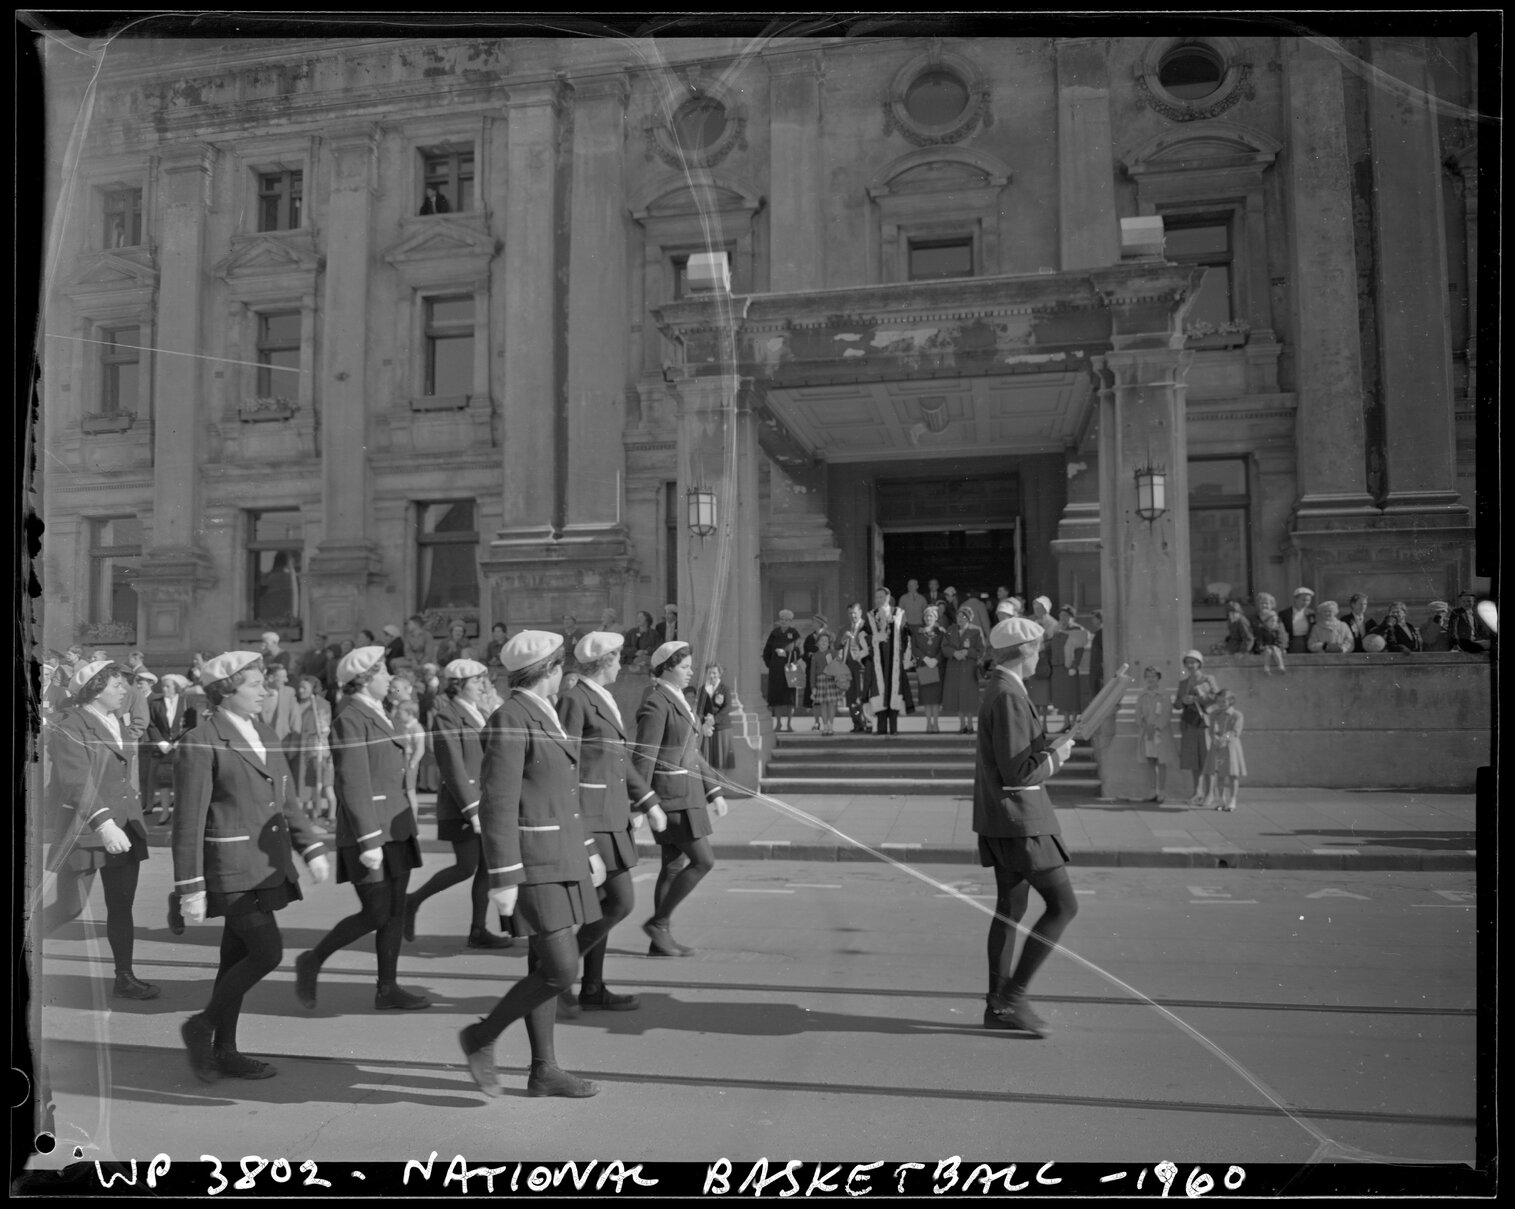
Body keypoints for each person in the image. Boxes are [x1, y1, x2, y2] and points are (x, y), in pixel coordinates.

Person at [456, 631, 607, 1099]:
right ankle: (480, 1036)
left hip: (561, 855)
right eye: (561, 665)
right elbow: (497, 802)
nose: (564, 673)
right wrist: (503, 876)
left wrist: (588, 847)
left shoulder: (546, 713)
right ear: (550, 669)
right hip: (535, 862)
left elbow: (564, 792)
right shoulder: (511, 717)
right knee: (561, 971)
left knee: (545, 965)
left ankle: (544, 1070)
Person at [172, 652, 334, 1082]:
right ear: (226, 691)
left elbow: (287, 801)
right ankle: (200, 1026)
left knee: (235, 958)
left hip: (265, 865)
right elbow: (188, 820)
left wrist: (311, 847)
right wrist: (189, 886)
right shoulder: (201, 740)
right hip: (229, 868)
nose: (266, 690)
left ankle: (224, 1050)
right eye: (255, 685)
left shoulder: (264, 733)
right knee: (266, 952)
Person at [293, 646, 430, 1013]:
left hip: (395, 827)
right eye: (383, 672)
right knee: (376, 911)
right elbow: (353, 783)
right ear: (365, 679)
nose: (389, 678)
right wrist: (369, 839)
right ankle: (313, 959)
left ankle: (387, 987)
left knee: (395, 910)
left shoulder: (380, 713)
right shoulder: (350, 719)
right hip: (370, 832)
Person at [973, 616, 1079, 1037]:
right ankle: (1012, 999)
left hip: (1004, 820)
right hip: (1021, 821)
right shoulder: (1008, 694)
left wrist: (1049, 747)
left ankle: (998, 1007)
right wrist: (1057, 756)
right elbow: (1018, 772)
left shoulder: (1004, 689)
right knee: (1063, 906)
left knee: (1010, 911)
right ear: (1025, 651)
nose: (1041, 657)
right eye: (1039, 649)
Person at [556, 632, 669, 1013]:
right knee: (620, 902)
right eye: (618, 658)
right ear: (604, 661)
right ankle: (557, 974)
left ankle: (592, 986)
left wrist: (648, 802)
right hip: (592, 816)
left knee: (602, 905)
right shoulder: (575, 700)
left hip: (612, 815)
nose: (621, 664)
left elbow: (619, 760)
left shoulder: (603, 697)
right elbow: (565, 766)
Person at [41, 660, 159, 1000]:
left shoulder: (115, 721)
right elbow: (76, 781)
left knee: (121, 906)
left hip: (125, 826)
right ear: (95, 689)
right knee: (70, 907)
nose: (125, 691)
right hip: (89, 829)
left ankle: (125, 977)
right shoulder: (70, 724)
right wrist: (104, 823)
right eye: (117, 685)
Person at [404, 659, 513, 951]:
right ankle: (411, 901)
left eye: (483, 681)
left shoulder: (479, 711)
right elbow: (453, 768)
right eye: (477, 681)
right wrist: (472, 809)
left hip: (485, 802)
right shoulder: (447, 717)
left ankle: (478, 929)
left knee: (487, 868)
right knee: (466, 867)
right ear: (459, 685)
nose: (483, 686)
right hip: (462, 805)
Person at [634, 641, 731, 958]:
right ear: (668, 668)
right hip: (672, 797)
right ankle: (658, 923)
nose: (691, 672)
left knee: (673, 865)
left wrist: (713, 790)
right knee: (703, 861)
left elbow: (691, 753)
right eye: (685, 667)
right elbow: (644, 757)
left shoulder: (677, 699)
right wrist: (641, 804)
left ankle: (659, 940)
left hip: (687, 795)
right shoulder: (657, 703)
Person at [144, 673, 196, 824]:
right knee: (164, 781)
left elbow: (191, 724)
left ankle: (182, 812)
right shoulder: (156, 703)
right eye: (163, 686)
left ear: (176, 687)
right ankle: (165, 812)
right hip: (164, 749)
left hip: (182, 747)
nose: (164, 689)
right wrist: (161, 742)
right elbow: (151, 725)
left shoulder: (187, 701)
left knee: (183, 781)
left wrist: (181, 740)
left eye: (168, 686)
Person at [1174, 650, 1220, 807]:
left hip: (1205, 724)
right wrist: (1184, 701)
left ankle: (1210, 794)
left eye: (1193, 662)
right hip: (1189, 723)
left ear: (1199, 663)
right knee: (1193, 761)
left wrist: (1199, 697)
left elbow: (1217, 698)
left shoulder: (1208, 679)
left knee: (1208, 760)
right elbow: (1176, 704)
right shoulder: (1183, 683)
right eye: (1187, 662)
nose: (1190, 665)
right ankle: (1197, 792)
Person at [866, 588, 914, 736]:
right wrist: (875, 638)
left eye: (881, 597)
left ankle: (893, 728)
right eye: (876, 597)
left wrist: (906, 657)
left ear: (888, 597)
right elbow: (863, 636)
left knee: (894, 691)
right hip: (878, 661)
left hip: (895, 660)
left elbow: (907, 636)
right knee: (880, 691)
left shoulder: (899, 613)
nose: (878, 600)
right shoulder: (871, 615)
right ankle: (881, 728)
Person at [284, 674, 332, 816]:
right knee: (297, 781)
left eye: (304, 688)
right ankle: (302, 811)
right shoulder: (294, 703)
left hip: (313, 749)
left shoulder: (321, 704)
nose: (300, 690)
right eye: (299, 687)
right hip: (297, 746)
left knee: (313, 781)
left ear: (313, 688)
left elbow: (324, 726)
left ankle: (317, 813)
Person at [1135, 667, 1180, 804]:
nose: (1151, 679)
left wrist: (1156, 727)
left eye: (1153, 676)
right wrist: (1143, 725)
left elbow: (1166, 713)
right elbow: (1138, 713)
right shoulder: (1142, 696)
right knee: (1150, 761)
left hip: (1160, 733)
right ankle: (1152, 790)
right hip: (1146, 732)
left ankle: (1162, 790)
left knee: (1161, 761)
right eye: (1148, 676)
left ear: (1158, 678)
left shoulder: (1164, 695)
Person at [942, 603, 986, 734]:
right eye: (958, 616)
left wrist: (968, 652)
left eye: (963, 617)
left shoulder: (976, 630)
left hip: (969, 667)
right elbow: (944, 646)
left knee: (969, 696)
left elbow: (981, 649)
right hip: (954, 667)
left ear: (969, 618)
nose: (960, 619)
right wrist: (954, 653)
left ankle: (970, 725)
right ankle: (962, 725)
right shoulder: (950, 629)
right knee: (957, 696)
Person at [1203, 689, 1246, 812]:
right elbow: (1211, 729)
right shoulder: (1214, 714)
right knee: (1220, 774)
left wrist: (1224, 739)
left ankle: (1232, 800)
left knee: (1233, 775)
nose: (1221, 704)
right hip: (1217, 746)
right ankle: (1220, 799)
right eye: (1218, 701)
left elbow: (1235, 731)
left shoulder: (1237, 715)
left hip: (1231, 747)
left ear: (1231, 701)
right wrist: (1214, 738)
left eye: (1224, 701)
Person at [1049, 606, 1088, 733]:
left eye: (1065, 615)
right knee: (1063, 697)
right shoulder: (1058, 629)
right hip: (1058, 667)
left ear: (1072, 617)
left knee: (1072, 696)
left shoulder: (1077, 629)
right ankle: (1066, 722)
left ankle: (1074, 723)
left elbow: (1079, 650)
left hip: (1069, 667)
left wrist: (1074, 666)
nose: (1063, 618)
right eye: (1061, 615)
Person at [762, 609, 801, 733]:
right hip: (776, 671)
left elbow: (799, 652)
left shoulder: (794, 634)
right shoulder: (774, 633)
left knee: (790, 699)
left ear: (791, 621)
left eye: (787, 620)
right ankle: (778, 723)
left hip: (790, 670)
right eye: (782, 619)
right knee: (777, 698)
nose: (784, 622)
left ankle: (789, 724)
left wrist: (786, 654)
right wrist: (771, 664)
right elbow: (766, 651)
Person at [911, 605, 946, 733]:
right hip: (924, 666)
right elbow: (914, 648)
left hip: (937, 667)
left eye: (931, 616)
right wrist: (925, 658)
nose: (928, 618)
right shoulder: (918, 632)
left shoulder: (941, 632)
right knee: (927, 698)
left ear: (935, 618)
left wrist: (936, 659)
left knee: (936, 699)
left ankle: (935, 723)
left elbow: (944, 647)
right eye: (926, 616)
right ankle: (928, 723)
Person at [841, 602, 874, 734]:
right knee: (851, 697)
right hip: (848, 666)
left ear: (860, 612)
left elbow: (871, 645)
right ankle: (857, 723)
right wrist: (843, 639)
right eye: (850, 613)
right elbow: (837, 645)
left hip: (861, 666)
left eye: (855, 612)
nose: (852, 615)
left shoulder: (867, 627)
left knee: (862, 696)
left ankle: (868, 722)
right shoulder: (845, 628)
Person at [696, 661, 736, 769]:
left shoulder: (724, 688)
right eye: (709, 673)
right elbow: (699, 709)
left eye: (714, 673)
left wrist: (715, 719)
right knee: (708, 762)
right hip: (707, 729)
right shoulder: (702, 690)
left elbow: (728, 707)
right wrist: (705, 722)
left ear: (719, 674)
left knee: (722, 762)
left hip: (722, 728)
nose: (712, 676)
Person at [808, 632, 846, 735]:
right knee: (823, 705)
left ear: (829, 643)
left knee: (832, 704)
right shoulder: (815, 656)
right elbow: (812, 672)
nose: (824, 642)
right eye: (821, 640)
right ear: (817, 643)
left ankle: (831, 726)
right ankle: (825, 726)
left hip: (831, 680)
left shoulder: (833, 653)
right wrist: (813, 687)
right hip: (820, 681)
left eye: (826, 641)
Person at [800, 615, 831, 729]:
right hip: (812, 671)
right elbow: (805, 654)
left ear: (820, 623)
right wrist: (809, 656)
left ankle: (827, 723)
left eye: (814, 622)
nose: (813, 624)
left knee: (825, 698)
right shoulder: (809, 638)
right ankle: (817, 722)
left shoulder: (828, 636)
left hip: (825, 671)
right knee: (814, 697)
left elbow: (831, 653)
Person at [258, 663, 298, 739]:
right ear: (271, 678)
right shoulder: (258, 692)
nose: (286, 680)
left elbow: (295, 719)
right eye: (283, 677)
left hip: (283, 740)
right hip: (262, 738)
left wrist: (295, 740)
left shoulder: (289, 693)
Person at [1279, 587, 1316, 655]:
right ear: (1295, 599)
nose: (1306, 603)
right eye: (1303, 600)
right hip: (1292, 643)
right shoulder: (1284, 614)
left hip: (1308, 643)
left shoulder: (1311, 614)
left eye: (1308, 600)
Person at [1253, 602, 1288, 672]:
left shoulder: (1277, 631)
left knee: (1275, 650)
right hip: (1266, 648)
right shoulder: (1262, 631)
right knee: (1268, 652)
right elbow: (1259, 641)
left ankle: (1281, 666)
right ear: (1266, 622)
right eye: (1272, 621)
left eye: (1275, 622)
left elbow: (1280, 640)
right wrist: (1262, 647)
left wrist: (1281, 647)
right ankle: (1266, 668)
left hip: (1275, 648)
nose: (1274, 623)